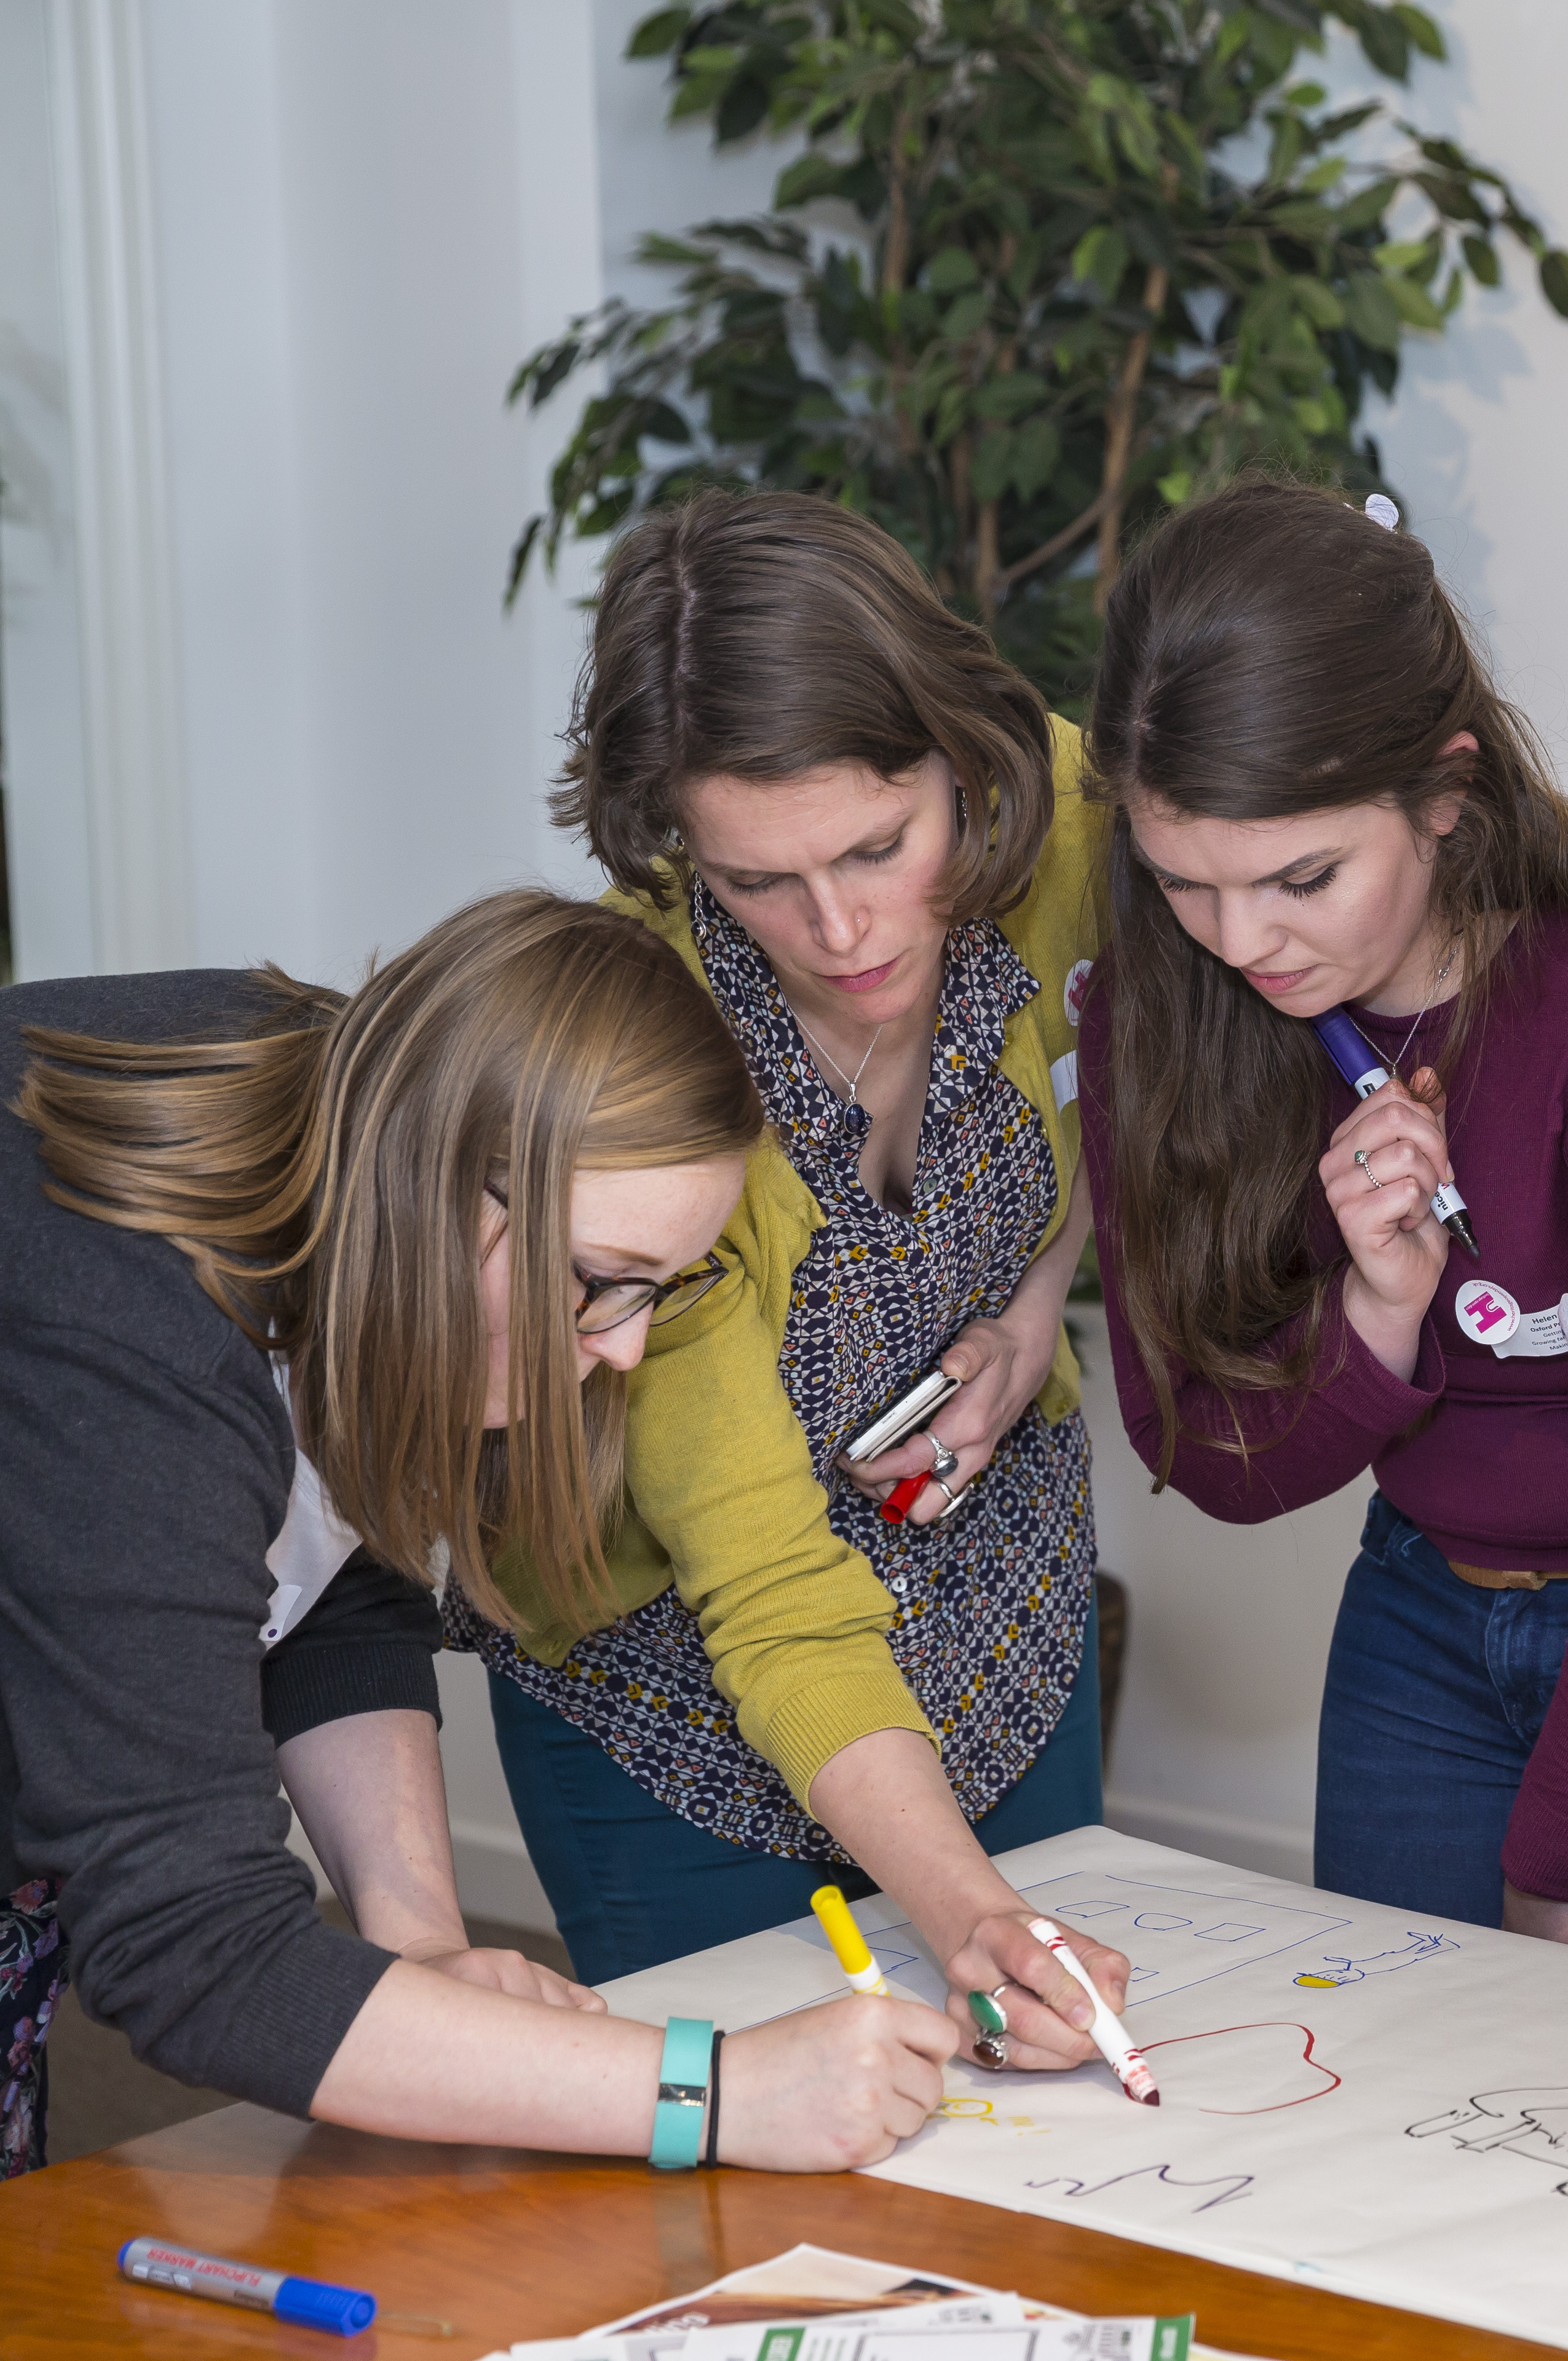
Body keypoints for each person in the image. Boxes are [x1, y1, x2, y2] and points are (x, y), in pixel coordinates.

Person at [0, 892, 970, 2268]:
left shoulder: (369, 1113)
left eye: (657, 1292)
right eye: (604, 1282)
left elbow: (326, 1564)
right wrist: (717, 2095)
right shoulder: (113, 1353)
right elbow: (193, 1950)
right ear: (449, 1186)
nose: (618, 1351)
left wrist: (415, 1936)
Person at [447, 491, 1128, 2060]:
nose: (840, 929)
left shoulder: (1076, 816)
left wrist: (1033, 1309)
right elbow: (763, 1591)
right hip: (667, 1670)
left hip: (993, 1591)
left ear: (966, 757)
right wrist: (972, 1915)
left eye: (883, 846)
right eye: (756, 881)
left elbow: (1137, 1071)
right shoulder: (646, 1059)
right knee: (749, 2150)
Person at [1074, 478, 1568, 1974]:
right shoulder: (1160, 1009)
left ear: (1445, 792)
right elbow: (1201, 1450)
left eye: (1303, 878)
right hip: (1417, 1619)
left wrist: (1562, 1868)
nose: (1243, 943)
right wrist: (1376, 1314)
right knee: (1401, 2118)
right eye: (1185, 882)